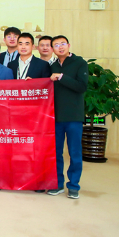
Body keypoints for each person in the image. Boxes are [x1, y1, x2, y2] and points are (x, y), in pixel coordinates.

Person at [48, 35, 88, 200]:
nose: (60, 47)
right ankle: (58, 184)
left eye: (62, 44)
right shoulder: (52, 65)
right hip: (56, 117)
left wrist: (62, 77)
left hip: (73, 116)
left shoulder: (80, 63)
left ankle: (73, 186)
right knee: (56, 153)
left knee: (74, 152)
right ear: (53, 49)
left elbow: (82, 86)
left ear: (69, 45)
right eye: (56, 45)